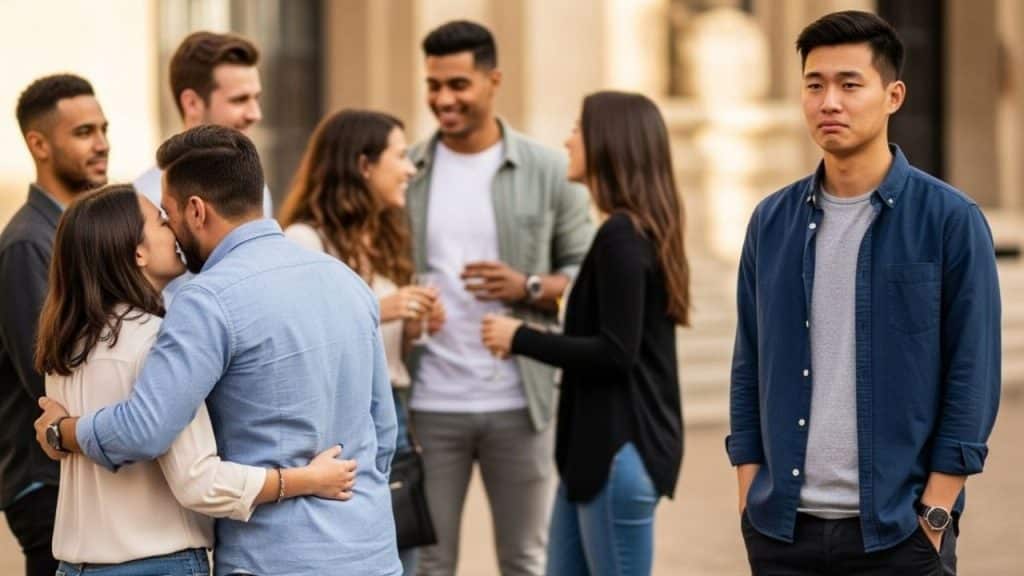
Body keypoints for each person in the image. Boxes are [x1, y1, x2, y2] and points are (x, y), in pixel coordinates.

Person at [34, 125, 402, 575]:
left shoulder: (206, 301)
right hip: (371, 553)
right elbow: (383, 428)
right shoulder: (347, 281)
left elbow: (146, 429)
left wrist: (64, 432)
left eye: (168, 214)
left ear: (196, 210)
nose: (170, 229)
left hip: (272, 560)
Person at [727, 11, 1001, 576]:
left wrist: (936, 516)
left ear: (893, 95)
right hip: (783, 534)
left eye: (850, 84)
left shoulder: (949, 220)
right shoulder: (770, 223)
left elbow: (972, 375)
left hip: (899, 537)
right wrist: (749, 492)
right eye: (814, 85)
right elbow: (748, 365)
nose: (830, 101)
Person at [405, 20, 595, 576]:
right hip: (430, 403)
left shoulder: (549, 170)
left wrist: (527, 286)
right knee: (429, 562)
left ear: (494, 81)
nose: (443, 99)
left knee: (526, 559)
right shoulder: (409, 171)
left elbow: (586, 271)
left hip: (521, 401)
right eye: (434, 85)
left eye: (458, 85)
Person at [482, 91, 689, 576]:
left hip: (617, 455)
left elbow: (616, 351)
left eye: (579, 128)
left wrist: (519, 338)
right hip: (591, 458)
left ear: (608, 143)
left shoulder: (622, 235)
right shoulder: (625, 233)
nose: (568, 139)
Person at [279, 108, 445, 575]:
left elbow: (387, 352)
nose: (410, 168)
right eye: (400, 156)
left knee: (404, 555)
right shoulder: (305, 240)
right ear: (363, 165)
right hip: (341, 426)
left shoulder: (387, 235)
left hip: (395, 411)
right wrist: (382, 309)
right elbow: (302, 337)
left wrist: (414, 326)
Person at [0, 73, 108, 576]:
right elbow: (49, 375)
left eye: (103, 129)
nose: (102, 144)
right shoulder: (28, 243)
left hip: (73, 474)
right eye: (84, 132)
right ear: (38, 144)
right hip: (47, 485)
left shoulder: (72, 234)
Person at [135, 31, 273, 303]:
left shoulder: (257, 188)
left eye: (256, 98)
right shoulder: (142, 204)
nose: (255, 114)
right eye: (239, 100)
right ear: (192, 103)